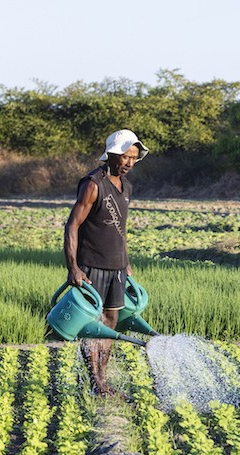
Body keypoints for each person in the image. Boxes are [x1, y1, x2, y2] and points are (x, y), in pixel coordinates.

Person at [64, 129, 149, 396]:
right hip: (92, 266)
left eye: (134, 159)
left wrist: (126, 262)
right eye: (126, 157)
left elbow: (119, 228)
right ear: (112, 153)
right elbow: (73, 225)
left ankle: (102, 378)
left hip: (117, 267)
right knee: (94, 324)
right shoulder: (93, 184)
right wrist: (73, 267)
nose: (130, 163)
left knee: (111, 322)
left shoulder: (127, 188)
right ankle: (95, 382)